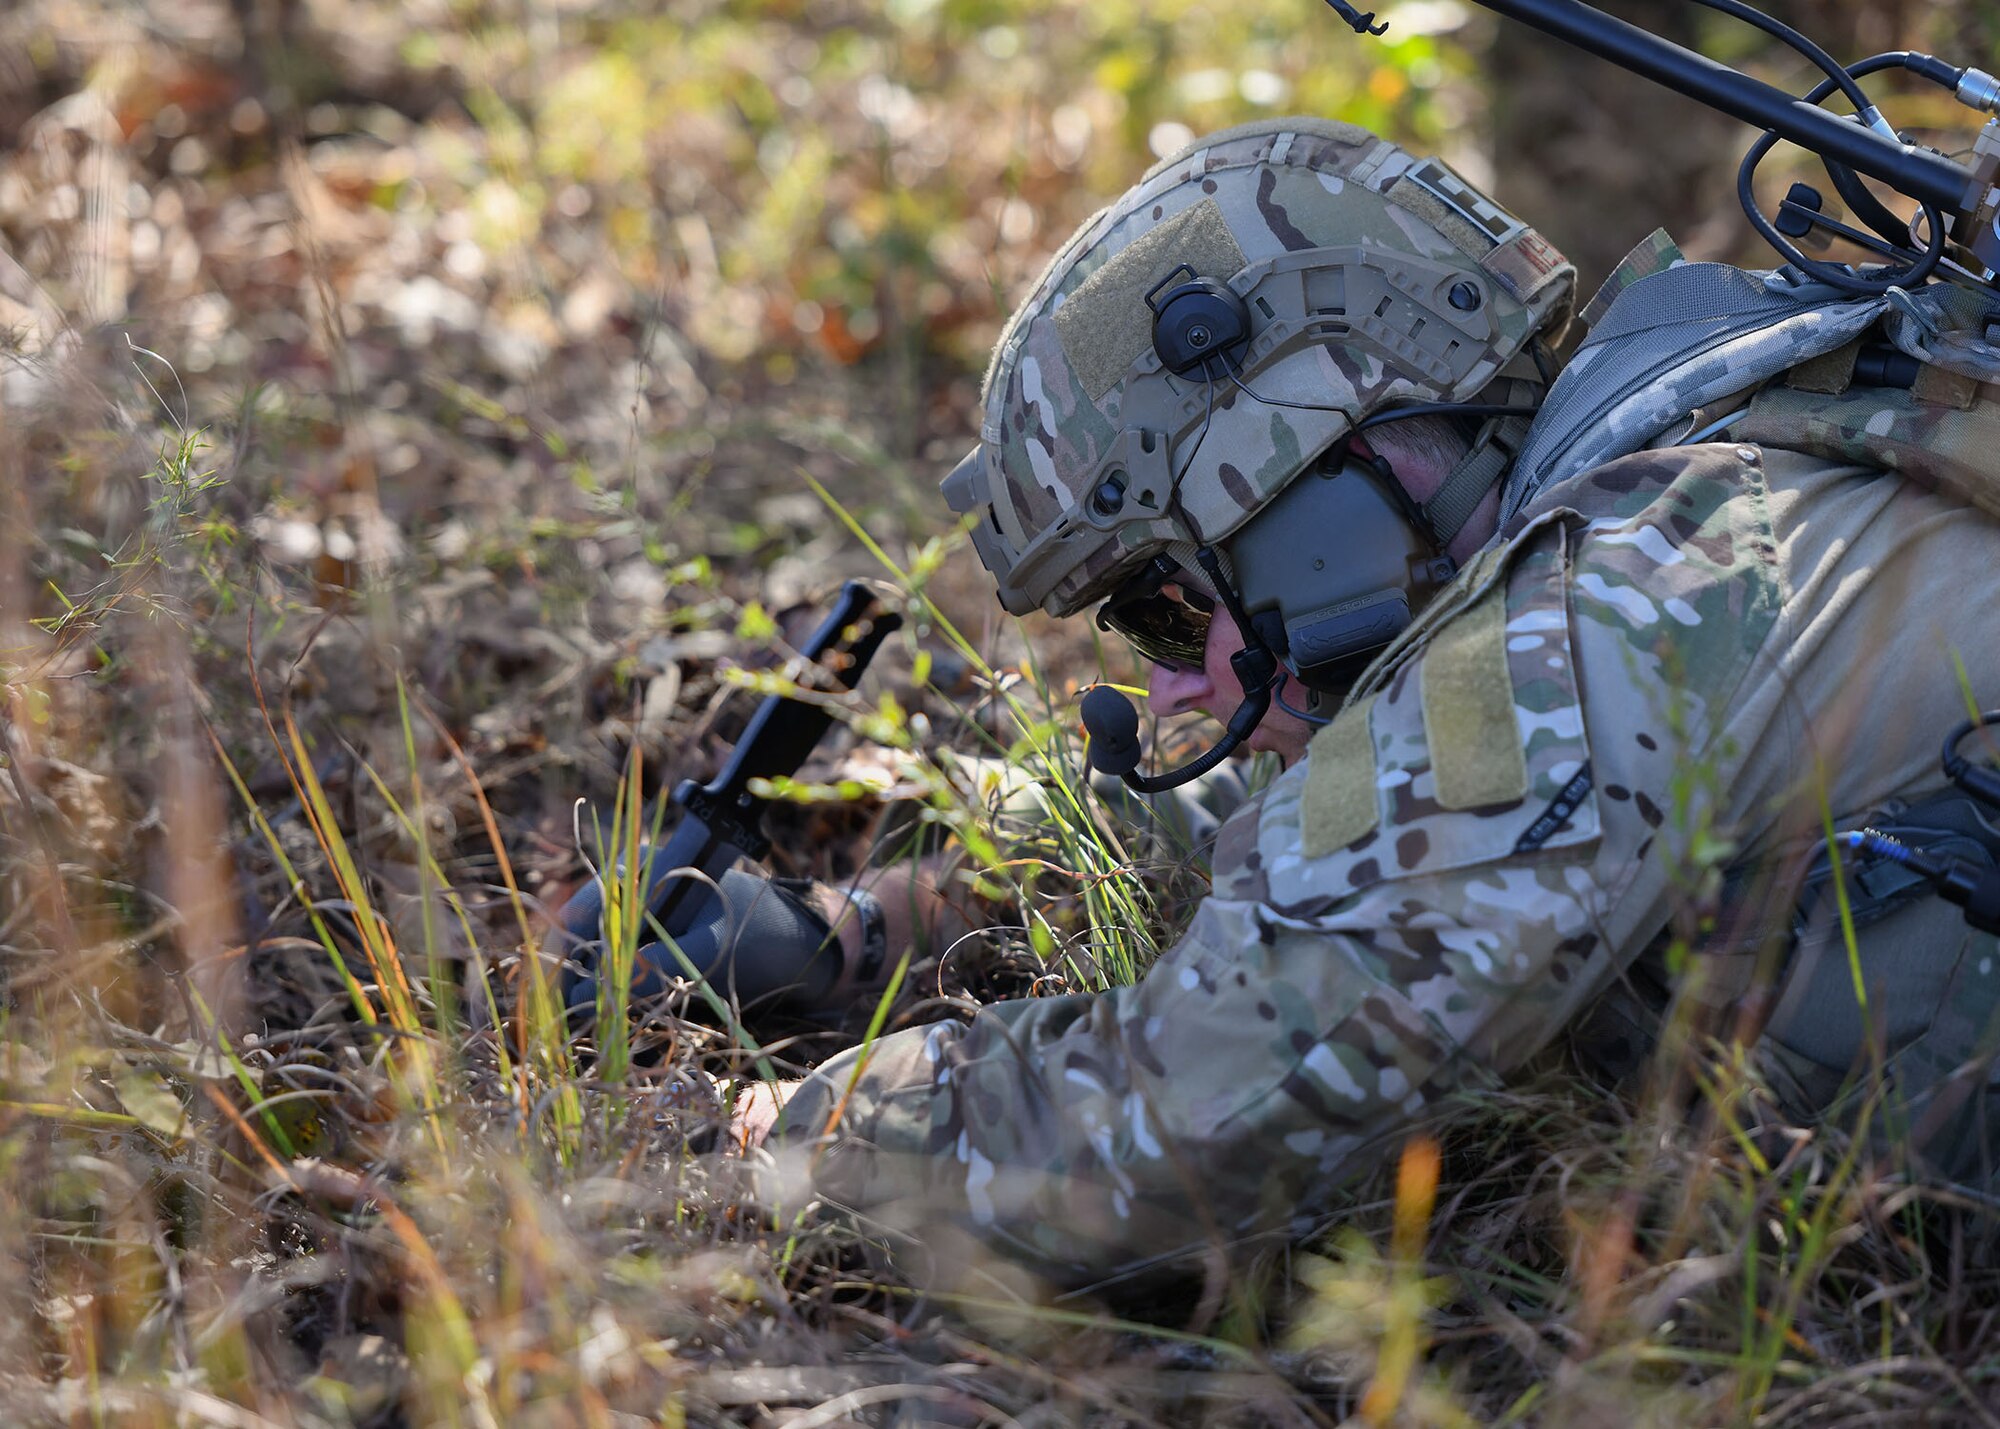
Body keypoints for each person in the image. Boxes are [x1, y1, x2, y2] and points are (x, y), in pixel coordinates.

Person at [633, 116, 2000, 1295]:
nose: (1166, 681)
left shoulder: (1630, 593)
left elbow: (1195, 1116)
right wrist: (871, 927)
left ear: (1317, 498)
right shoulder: (1677, 483)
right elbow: (1305, 803)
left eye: (1167, 606)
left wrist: (772, 1137)